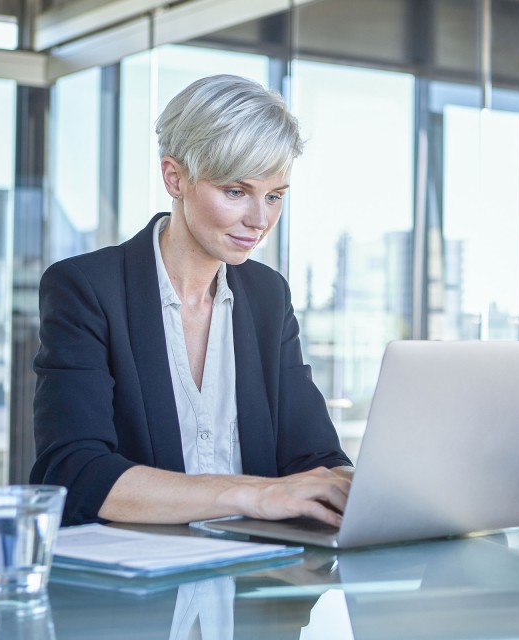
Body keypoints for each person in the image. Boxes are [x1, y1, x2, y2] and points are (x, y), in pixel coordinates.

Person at [30, 74, 353, 527]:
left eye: (275, 196)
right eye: (236, 192)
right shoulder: (86, 288)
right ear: (175, 177)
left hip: (253, 582)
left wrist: (366, 490)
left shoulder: (267, 296)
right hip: (140, 583)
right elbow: (76, 472)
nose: (260, 220)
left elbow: (314, 455)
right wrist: (253, 494)